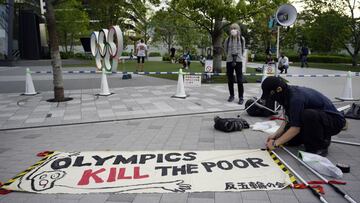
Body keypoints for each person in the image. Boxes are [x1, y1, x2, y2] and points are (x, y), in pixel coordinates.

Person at [262, 76, 346, 157]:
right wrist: (275, 135)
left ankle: (320, 145)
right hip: (319, 118)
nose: (273, 99)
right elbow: (287, 119)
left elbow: (295, 128)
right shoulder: (286, 94)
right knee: (289, 141)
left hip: (334, 122)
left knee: (308, 114)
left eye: (271, 95)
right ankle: (310, 137)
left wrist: (275, 144)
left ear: (279, 89)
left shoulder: (295, 99)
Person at [223, 23, 245, 104]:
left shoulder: (242, 39)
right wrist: (229, 56)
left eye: (235, 28)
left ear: (238, 30)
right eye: (232, 28)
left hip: (238, 61)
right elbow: (225, 49)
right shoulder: (227, 39)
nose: (233, 30)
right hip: (229, 61)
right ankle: (231, 95)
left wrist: (238, 56)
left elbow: (243, 49)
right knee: (230, 79)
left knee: (240, 80)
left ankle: (241, 97)